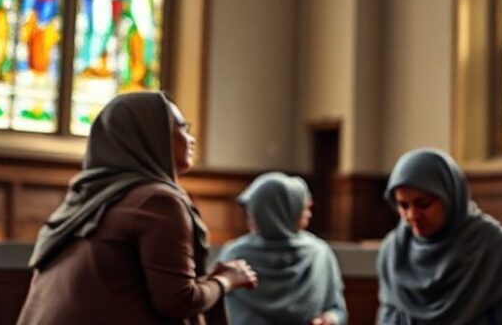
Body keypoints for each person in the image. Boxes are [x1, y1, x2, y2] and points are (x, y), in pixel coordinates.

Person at [17, 92, 258, 325]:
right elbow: (179, 301)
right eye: (183, 128)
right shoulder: (158, 201)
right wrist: (226, 279)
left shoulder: (88, 197)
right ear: (153, 136)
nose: (191, 139)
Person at [376, 149, 502, 324]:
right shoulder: (394, 251)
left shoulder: (498, 249)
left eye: (423, 204)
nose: (412, 215)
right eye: (403, 205)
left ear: (450, 196)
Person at [217, 173, 347, 325]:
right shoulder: (235, 256)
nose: (309, 214)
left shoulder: (320, 254)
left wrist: (329, 319)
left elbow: (337, 310)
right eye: (305, 208)